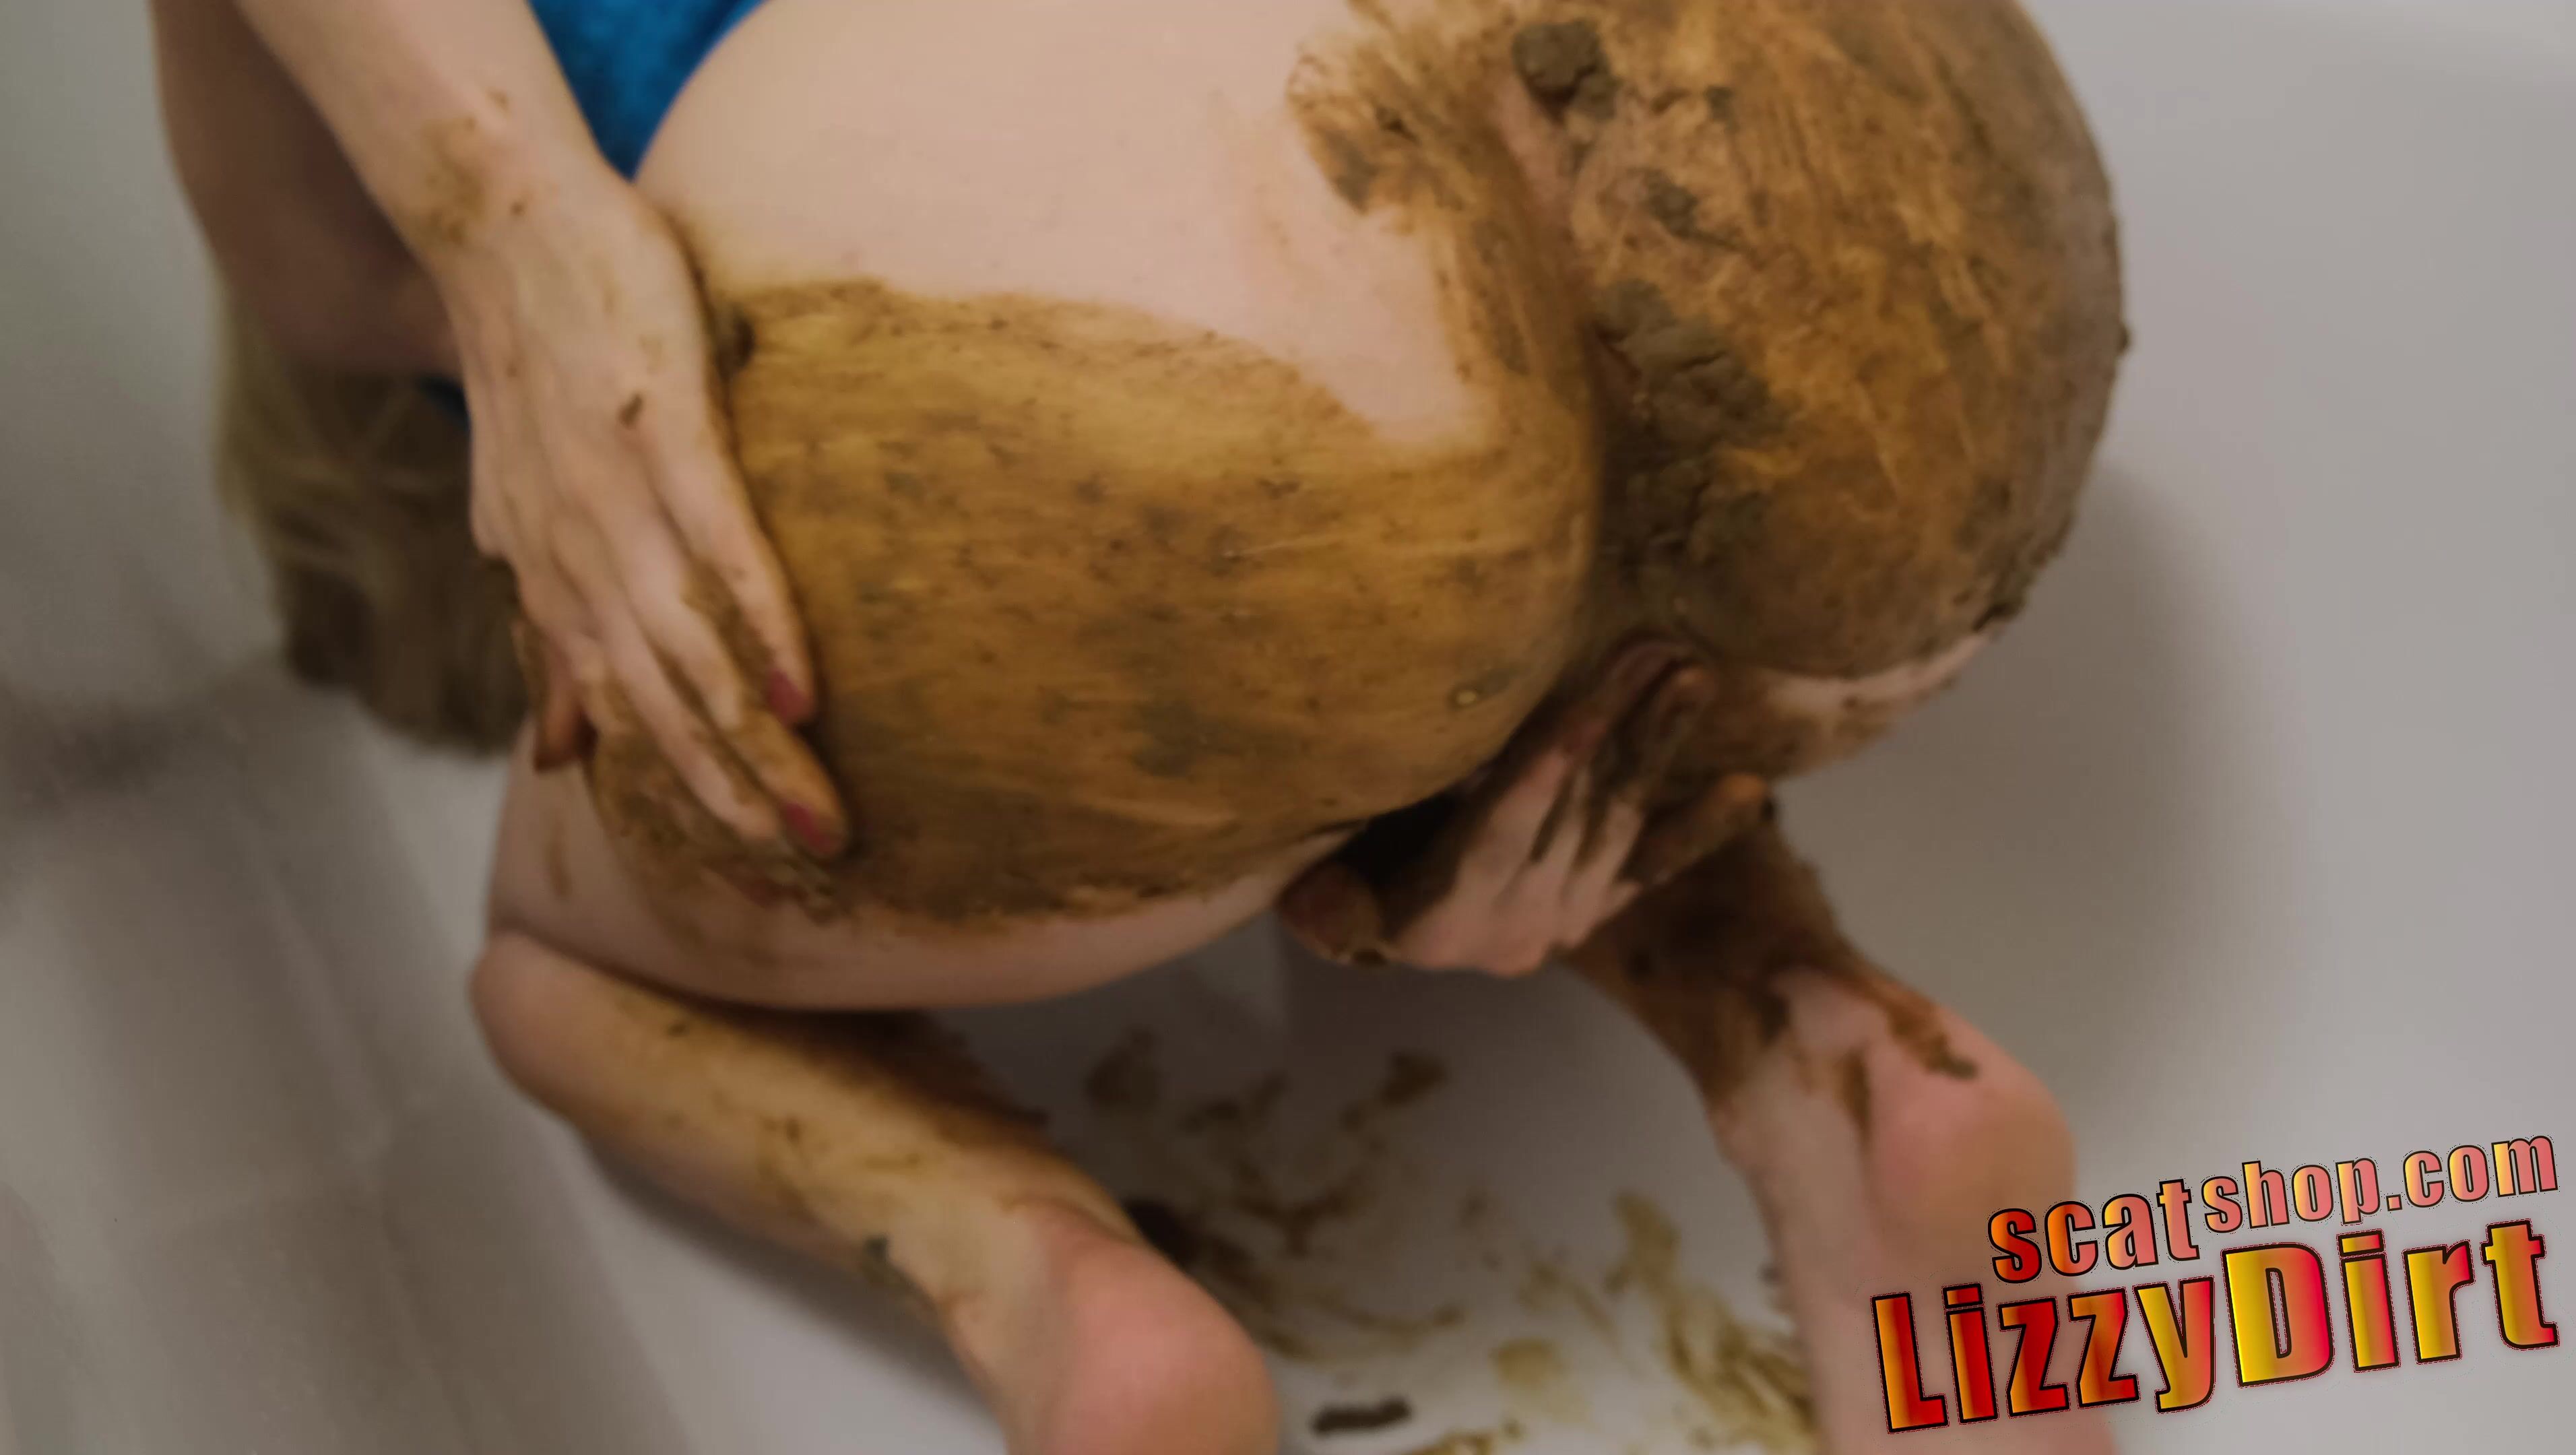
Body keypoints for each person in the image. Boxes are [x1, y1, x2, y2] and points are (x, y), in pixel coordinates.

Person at [150, 0, 2121, 1451]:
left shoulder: (388, 255)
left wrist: (501, 228)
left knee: (555, 967)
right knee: (1625, 609)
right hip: (1866, 165)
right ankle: (1828, 1053)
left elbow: (423, 244)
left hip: (1167, 352)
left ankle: (1041, 1283)